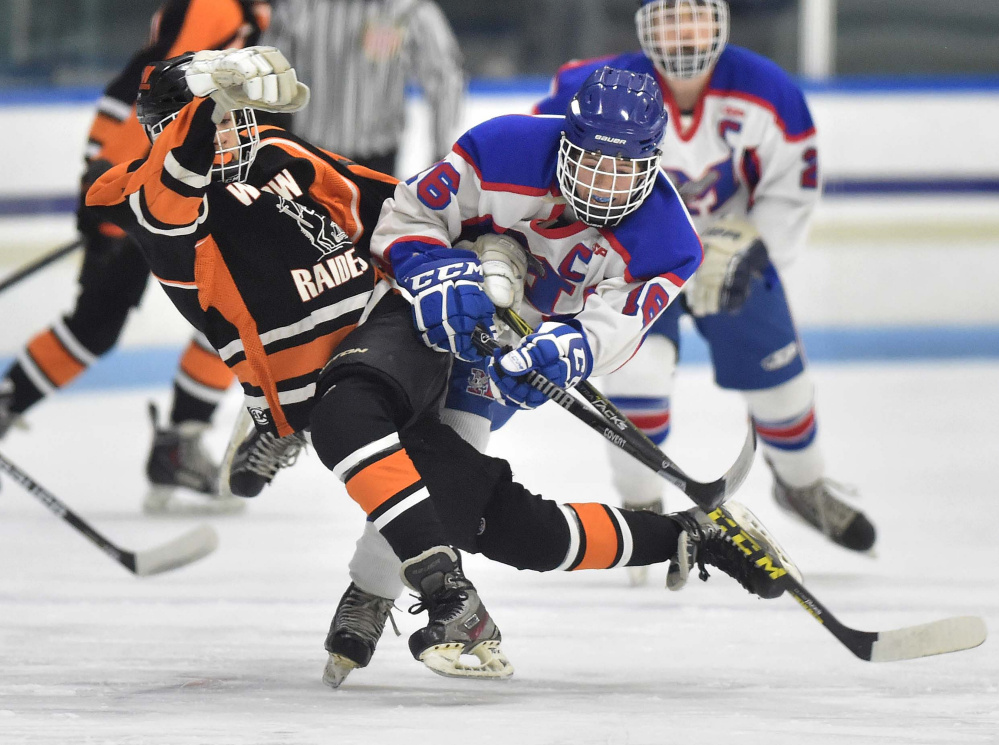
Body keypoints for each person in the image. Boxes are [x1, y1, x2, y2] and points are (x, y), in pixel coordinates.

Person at [85, 50, 799, 690]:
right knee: (350, 414)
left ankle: (680, 536)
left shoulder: (668, 240)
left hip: (509, 338)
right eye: (591, 161)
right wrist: (434, 268)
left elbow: (385, 202)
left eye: (623, 168)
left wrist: (564, 347)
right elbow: (402, 214)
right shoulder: (164, 205)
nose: (605, 184)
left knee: (476, 507)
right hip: (413, 322)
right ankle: (410, 565)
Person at [532, 0, 876, 578]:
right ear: (643, 26)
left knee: (781, 384)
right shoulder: (597, 87)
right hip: (637, 251)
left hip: (731, 253)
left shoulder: (768, 89)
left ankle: (803, 487)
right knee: (637, 375)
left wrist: (759, 245)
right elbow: (549, 164)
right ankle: (640, 508)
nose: (682, 34)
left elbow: (795, 181)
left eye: (693, 16)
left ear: (719, 21)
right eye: (667, 18)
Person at [0, 0, 274, 515]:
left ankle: (178, 443)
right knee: (110, 325)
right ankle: (172, 444)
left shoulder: (248, 10)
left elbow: (137, 80)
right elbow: (149, 83)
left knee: (222, 311)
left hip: (187, 179)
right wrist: (111, 183)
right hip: (162, 182)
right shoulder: (215, 6)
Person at [262, 0, 465, 175]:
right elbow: (266, 72)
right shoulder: (299, 6)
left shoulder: (405, 9)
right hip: (310, 155)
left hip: (376, 158)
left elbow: (444, 78)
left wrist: (441, 153)